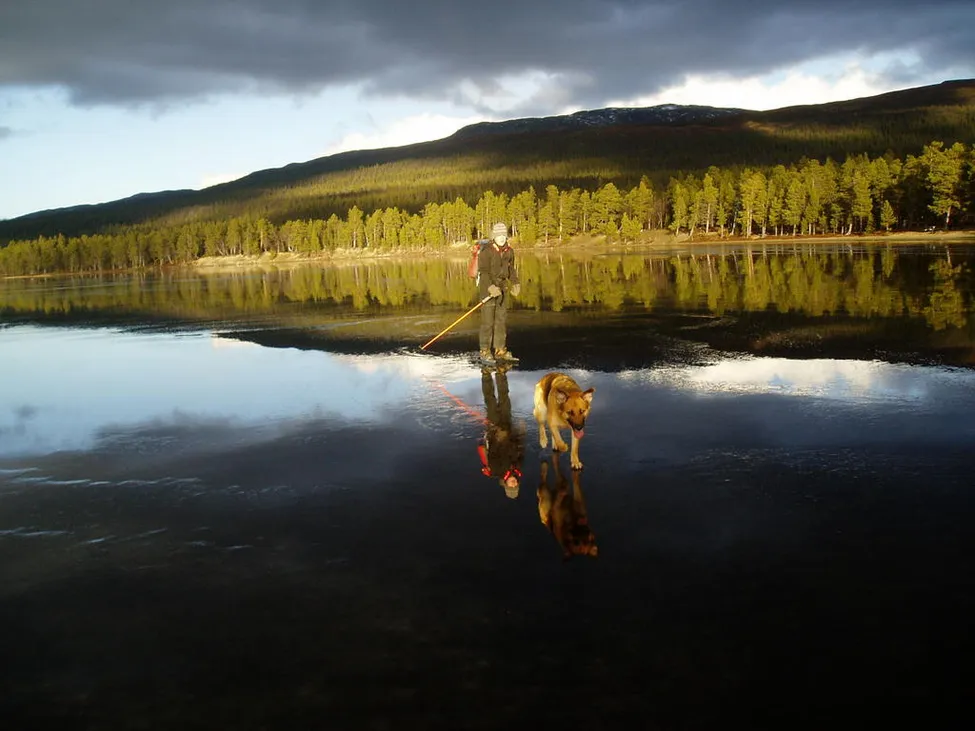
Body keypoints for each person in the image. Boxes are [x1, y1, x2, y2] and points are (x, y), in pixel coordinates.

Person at [476, 365, 525, 499]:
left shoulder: (496, 470)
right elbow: (519, 448)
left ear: (505, 484)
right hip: (508, 426)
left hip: (495, 429)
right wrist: (521, 432)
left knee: (490, 400)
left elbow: (492, 451)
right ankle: (501, 374)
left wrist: (499, 436)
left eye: (511, 486)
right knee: (505, 398)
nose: (514, 484)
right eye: (516, 486)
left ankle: (486, 375)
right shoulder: (518, 467)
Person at [476, 221, 521, 365]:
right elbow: (483, 272)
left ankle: (500, 350)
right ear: (493, 236)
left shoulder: (509, 251)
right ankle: (484, 351)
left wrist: (515, 282)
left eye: (503, 235)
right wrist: (490, 287)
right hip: (487, 291)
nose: (501, 238)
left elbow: (511, 269)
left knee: (501, 321)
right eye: (498, 235)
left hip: (502, 290)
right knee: (487, 323)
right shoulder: (486, 251)